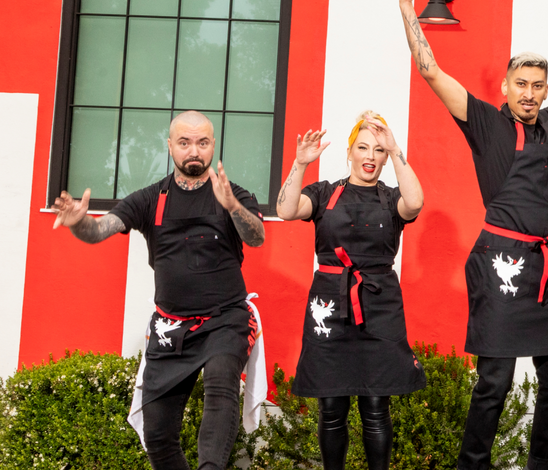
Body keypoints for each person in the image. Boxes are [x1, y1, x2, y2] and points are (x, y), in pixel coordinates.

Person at [394, 0, 548, 470]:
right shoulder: (483, 122)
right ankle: (471, 465)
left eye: (539, 85)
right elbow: (430, 71)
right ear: (505, 87)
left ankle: (541, 463)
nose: (532, 93)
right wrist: (408, 9)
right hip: (499, 264)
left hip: (545, 268)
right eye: (523, 84)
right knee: (494, 381)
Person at [50, 110, 268, 470]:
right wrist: (79, 223)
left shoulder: (234, 194)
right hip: (171, 327)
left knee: (220, 379)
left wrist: (231, 206)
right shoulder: (149, 199)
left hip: (225, 320)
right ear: (170, 147)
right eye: (184, 143)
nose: (193, 151)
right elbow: (99, 230)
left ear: (212, 145)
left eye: (201, 142)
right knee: (158, 437)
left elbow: (256, 237)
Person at [275, 112, 425, 470]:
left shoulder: (392, 199)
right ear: (349, 152)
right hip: (329, 303)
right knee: (331, 407)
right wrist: (299, 163)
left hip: (380, 304)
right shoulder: (325, 192)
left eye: (378, 150)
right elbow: (286, 209)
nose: (370, 156)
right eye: (363, 147)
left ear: (386, 157)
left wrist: (396, 148)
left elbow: (416, 202)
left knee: (376, 406)